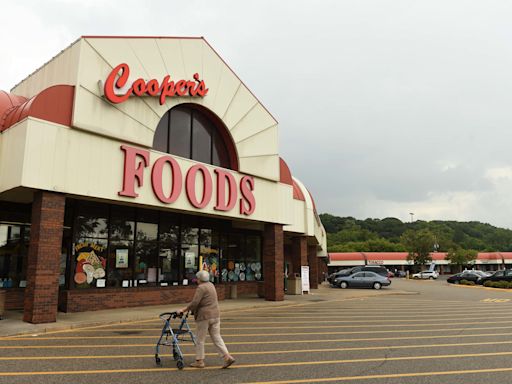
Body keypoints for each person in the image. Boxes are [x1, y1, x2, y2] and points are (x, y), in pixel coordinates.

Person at [178, 270, 235, 369]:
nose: (196, 281)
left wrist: (184, 310)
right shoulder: (211, 285)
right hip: (215, 315)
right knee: (217, 337)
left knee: (200, 339)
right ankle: (227, 357)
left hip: (204, 316)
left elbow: (195, 303)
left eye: (197, 279)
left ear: (199, 279)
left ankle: (199, 361)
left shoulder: (201, 288)